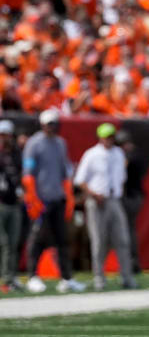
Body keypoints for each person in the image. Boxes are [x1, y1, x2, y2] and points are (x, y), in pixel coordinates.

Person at [23, 109, 85, 293]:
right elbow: (28, 174)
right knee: (37, 239)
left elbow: (65, 172)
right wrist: (32, 199)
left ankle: (66, 278)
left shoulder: (60, 143)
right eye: (49, 124)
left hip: (57, 198)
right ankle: (33, 276)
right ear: (42, 125)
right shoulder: (34, 144)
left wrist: (69, 197)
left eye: (54, 124)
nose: (52, 127)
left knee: (62, 240)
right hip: (41, 200)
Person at [74, 123, 137, 290]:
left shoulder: (118, 153)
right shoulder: (91, 154)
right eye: (106, 136)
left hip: (114, 200)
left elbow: (121, 177)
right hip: (97, 201)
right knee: (99, 241)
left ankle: (127, 277)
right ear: (100, 137)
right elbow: (80, 180)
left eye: (111, 136)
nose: (109, 139)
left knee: (122, 239)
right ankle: (99, 278)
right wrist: (94, 194)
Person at [0, 120, 24, 292]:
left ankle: (10, 278)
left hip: (14, 203)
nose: (4, 139)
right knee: (4, 243)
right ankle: (6, 278)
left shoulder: (17, 154)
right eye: (1, 135)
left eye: (6, 135)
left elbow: (22, 175)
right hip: (1, 204)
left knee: (13, 242)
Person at [116, 130, 143, 274]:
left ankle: (130, 262)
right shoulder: (136, 154)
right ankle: (131, 261)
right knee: (128, 229)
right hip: (135, 196)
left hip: (130, 197)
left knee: (126, 230)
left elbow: (122, 174)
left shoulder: (130, 157)